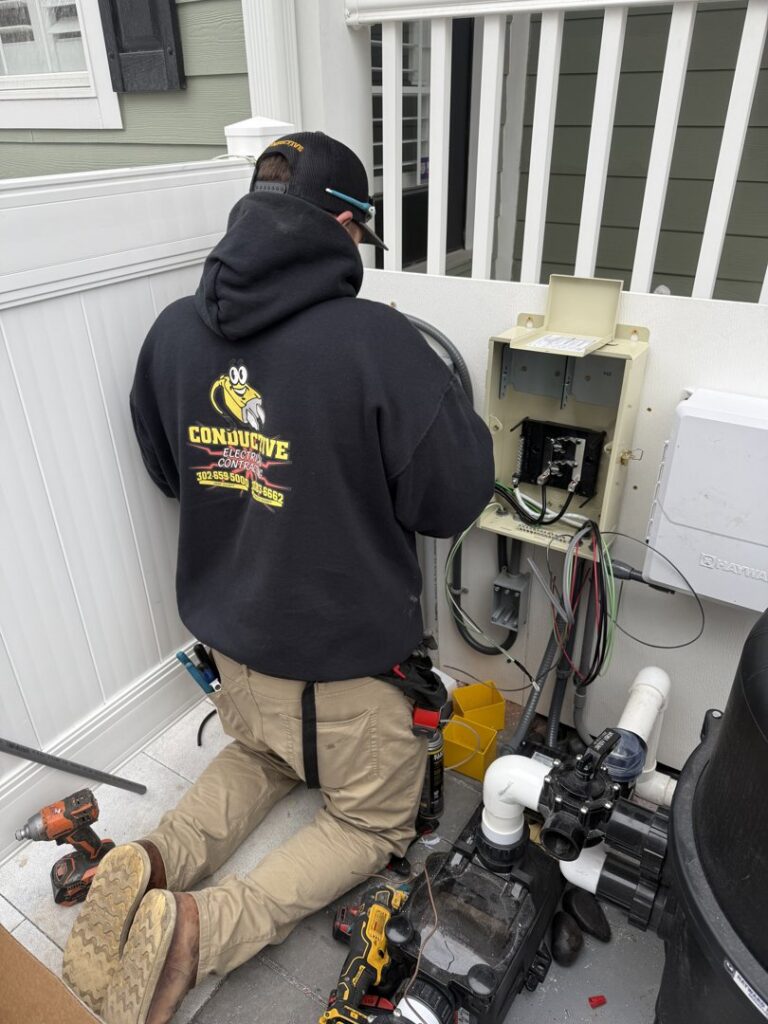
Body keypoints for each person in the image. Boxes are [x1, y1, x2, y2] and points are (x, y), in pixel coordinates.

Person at [62, 131, 494, 1024]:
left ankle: (147, 861)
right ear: (346, 223)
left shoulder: (174, 333)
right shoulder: (378, 341)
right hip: (350, 679)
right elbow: (454, 498)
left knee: (261, 755)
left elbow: (171, 471)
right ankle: (199, 930)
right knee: (370, 822)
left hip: (240, 662)